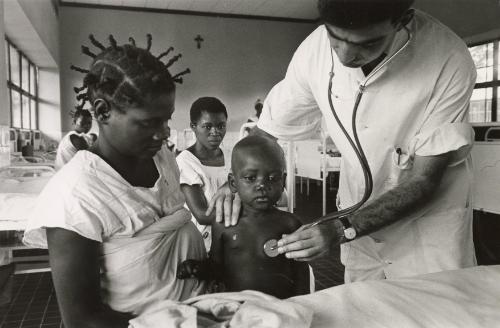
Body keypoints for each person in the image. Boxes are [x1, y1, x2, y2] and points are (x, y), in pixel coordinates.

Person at [207, 0, 477, 283]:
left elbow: (423, 180)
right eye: (337, 40)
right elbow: (267, 131)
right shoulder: (314, 52)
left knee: (432, 314)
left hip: (427, 226)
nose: (347, 56)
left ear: (402, 21)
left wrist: (340, 229)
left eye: (367, 44)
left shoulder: (448, 59)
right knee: (363, 309)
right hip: (357, 211)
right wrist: (232, 184)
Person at [22, 34, 201, 328]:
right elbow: (82, 320)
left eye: (166, 119)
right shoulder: (75, 196)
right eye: (149, 122)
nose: (164, 133)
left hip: (196, 309)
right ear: (103, 112)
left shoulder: (163, 158)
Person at [178, 135, 310, 299]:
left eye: (273, 178)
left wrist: (302, 304)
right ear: (233, 183)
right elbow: (217, 266)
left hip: (280, 308)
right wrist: (199, 268)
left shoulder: (290, 224)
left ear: (283, 181)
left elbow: (301, 273)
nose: (262, 186)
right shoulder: (224, 224)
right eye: (250, 178)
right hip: (239, 308)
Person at [176, 97, 230, 251]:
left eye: (221, 126)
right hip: (204, 243)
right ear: (193, 126)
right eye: (207, 126)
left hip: (232, 237)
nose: (215, 132)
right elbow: (203, 215)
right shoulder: (186, 162)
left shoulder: (232, 156)